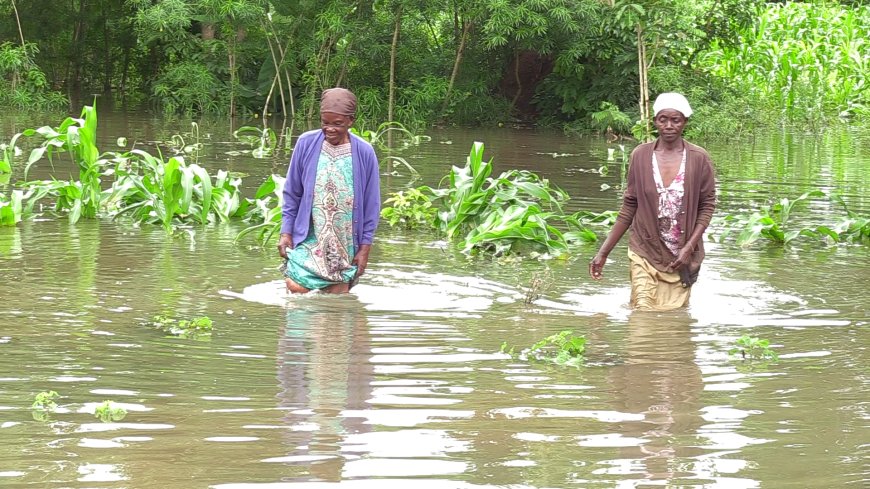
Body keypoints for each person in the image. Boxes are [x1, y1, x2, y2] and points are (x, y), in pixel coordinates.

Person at [589, 92, 716, 310]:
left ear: (684, 122)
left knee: (673, 320)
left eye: (675, 120)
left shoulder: (699, 158)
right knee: (642, 310)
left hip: (681, 258)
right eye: (662, 119)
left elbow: (707, 206)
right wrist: (603, 252)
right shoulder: (640, 155)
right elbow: (630, 205)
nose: (668, 125)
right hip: (644, 249)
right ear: (655, 121)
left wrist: (688, 248)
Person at [277, 88, 381, 294]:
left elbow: (371, 205)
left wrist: (365, 248)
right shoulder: (306, 144)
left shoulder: (364, 152)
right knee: (295, 286)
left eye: (337, 124)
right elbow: (292, 193)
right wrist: (286, 232)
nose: (330, 129)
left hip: (344, 242)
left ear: (351, 121)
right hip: (309, 236)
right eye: (325, 123)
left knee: (337, 298)